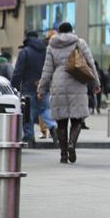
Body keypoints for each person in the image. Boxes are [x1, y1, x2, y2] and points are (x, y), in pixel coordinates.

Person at [37, 23, 99, 163]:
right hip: (77, 82)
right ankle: (72, 143)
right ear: (71, 30)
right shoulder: (79, 42)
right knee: (77, 119)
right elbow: (90, 63)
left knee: (61, 122)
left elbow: (46, 71)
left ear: (59, 31)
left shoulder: (51, 46)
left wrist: (41, 89)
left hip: (58, 84)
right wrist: (96, 83)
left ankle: (63, 155)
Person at [12, 31, 58, 146]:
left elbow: (18, 71)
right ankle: (53, 127)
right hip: (44, 86)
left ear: (27, 39)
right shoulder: (46, 50)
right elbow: (51, 68)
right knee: (45, 109)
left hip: (28, 87)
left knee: (28, 113)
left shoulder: (25, 52)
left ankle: (29, 136)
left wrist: (14, 86)